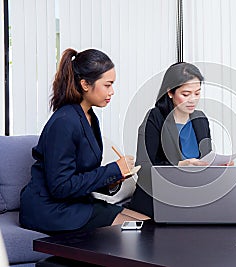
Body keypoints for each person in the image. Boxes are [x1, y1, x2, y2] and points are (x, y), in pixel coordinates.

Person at [19, 48, 148, 234]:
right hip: (50, 209)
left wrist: (113, 179)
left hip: (75, 203)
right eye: (107, 85)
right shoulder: (64, 122)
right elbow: (60, 187)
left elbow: (84, 174)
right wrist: (113, 170)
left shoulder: (90, 118)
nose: (112, 91)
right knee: (141, 232)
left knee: (149, 224)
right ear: (85, 84)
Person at [124, 62, 212, 218]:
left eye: (197, 93)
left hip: (191, 197)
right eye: (186, 94)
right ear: (170, 92)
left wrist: (218, 166)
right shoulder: (155, 117)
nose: (193, 99)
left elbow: (205, 161)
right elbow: (143, 168)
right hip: (158, 200)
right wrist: (178, 166)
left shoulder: (200, 119)